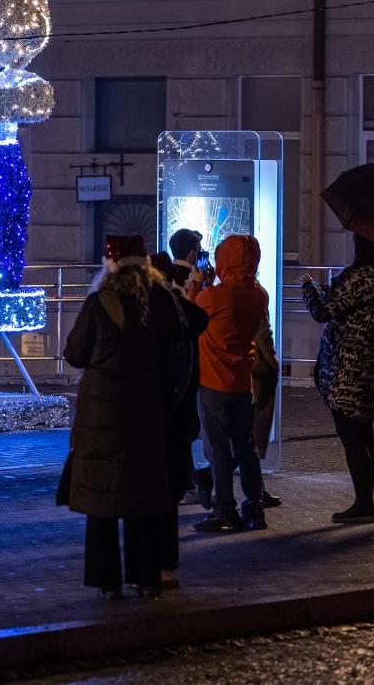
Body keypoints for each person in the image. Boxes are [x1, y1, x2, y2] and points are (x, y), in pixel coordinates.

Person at [64, 235, 185, 600]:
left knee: (101, 504)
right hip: (146, 414)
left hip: (99, 419)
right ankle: (146, 580)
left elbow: (75, 354)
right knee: (143, 500)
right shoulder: (163, 301)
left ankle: (107, 583)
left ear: (111, 267)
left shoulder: (98, 303)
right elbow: (177, 356)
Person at [302, 233, 374, 524]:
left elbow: (323, 311)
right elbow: (349, 302)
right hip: (371, 363)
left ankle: (364, 504)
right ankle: (365, 500)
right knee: (364, 431)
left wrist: (308, 288)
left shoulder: (361, 277)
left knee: (350, 435)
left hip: (348, 365)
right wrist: (329, 288)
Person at [192, 234, 270, 534]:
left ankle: (225, 511)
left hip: (213, 380)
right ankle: (255, 507)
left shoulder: (214, 296)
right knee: (246, 447)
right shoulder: (260, 295)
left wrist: (200, 283)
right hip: (242, 383)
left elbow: (192, 310)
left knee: (219, 450)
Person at [150, 251, 207, 589]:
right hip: (180, 410)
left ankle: (154, 563)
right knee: (169, 490)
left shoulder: (158, 310)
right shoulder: (183, 309)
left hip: (160, 413)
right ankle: (167, 561)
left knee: (156, 489)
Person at [251, 314, 283, 507]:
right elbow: (263, 332)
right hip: (258, 372)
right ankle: (257, 493)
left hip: (241, 369)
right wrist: (274, 363)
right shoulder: (255, 298)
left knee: (245, 437)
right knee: (253, 438)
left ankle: (258, 490)